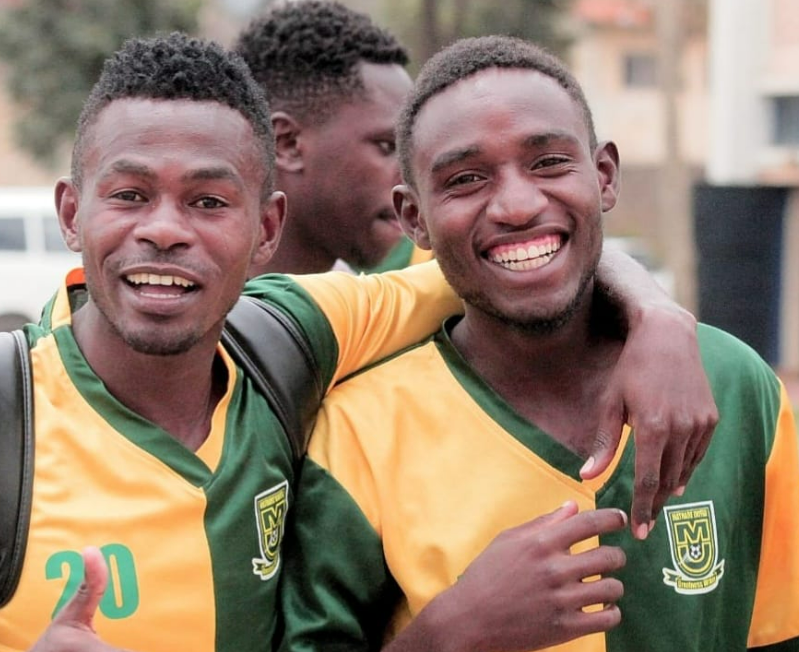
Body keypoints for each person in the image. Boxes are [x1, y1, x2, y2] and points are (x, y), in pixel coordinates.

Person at [0, 33, 712, 652]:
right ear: (71, 214)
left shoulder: (290, 346)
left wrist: (660, 320)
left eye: (207, 200)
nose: (165, 230)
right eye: (128, 196)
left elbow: (508, 255)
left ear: (267, 229)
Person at [279, 35, 799, 652]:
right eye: (466, 179)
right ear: (413, 217)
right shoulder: (359, 431)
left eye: (549, 162)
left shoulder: (735, 385)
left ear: (603, 175)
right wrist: (450, 634)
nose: (519, 205)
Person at [235, 0, 716, 533]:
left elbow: (535, 260)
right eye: (381, 146)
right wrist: (652, 307)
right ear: (287, 144)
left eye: (547, 163)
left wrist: (656, 313)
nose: (514, 206)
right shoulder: (299, 319)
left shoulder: (400, 276)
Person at [234, 0, 429, 276]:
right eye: (387, 147)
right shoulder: (190, 309)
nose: (413, 177)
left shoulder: (368, 309)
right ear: (286, 143)